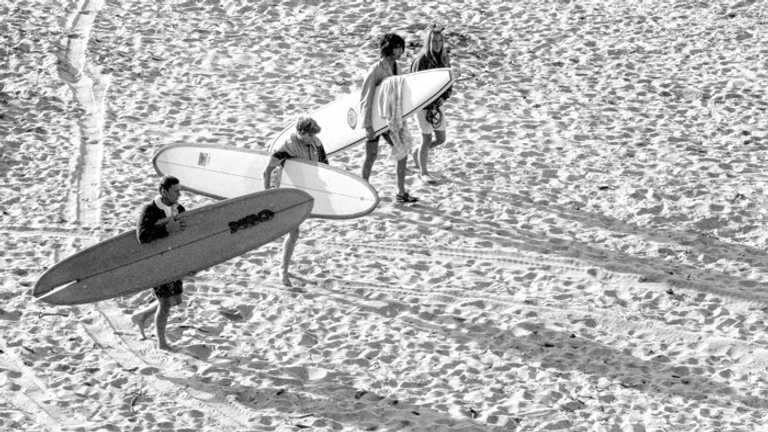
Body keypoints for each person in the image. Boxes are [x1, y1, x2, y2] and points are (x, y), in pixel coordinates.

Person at [263, 117, 327, 287]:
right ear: (301, 132)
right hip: (288, 191)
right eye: (310, 135)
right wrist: (268, 195)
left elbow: (326, 167)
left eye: (314, 135)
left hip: (306, 190)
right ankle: (283, 271)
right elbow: (267, 171)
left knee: (294, 232)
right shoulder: (287, 146)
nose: (313, 138)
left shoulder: (316, 143)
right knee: (294, 232)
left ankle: (283, 267)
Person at [360, 32, 418, 203]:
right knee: (371, 155)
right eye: (397, 47)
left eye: (401, 47)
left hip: (390, 120)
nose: (400, 50)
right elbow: (366, 97)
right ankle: (363, 190)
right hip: (375, 120)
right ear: (389, 49)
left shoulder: (397, 67)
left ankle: (401, 192)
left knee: (402, 150)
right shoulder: (376, 70)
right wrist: (368, 125)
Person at [131, 175, 187, 351]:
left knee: (174, 300)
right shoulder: (150, 210)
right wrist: (165, 229)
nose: (179, 195)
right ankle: (161, 344)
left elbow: (187, 236)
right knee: (164, 302)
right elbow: (142, 237)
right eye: (175, 191)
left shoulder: (180, 209)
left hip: (173, 259)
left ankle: (141, 316)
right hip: (155, 261)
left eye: (180, 190)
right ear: (164, 191)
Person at [411, 24, 453, 184]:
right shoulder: (421, 60)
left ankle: (417, 153)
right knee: (427, 139)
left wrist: (444, 98)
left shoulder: (444, 58)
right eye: (434, 41)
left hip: (438, 104)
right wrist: (426, 103)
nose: (437, 44)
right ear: (428, 42)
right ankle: (424, 172)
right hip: (423, 106)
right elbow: (413, 83)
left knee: (441, 138)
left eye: (439, 41)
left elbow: (448, 82)